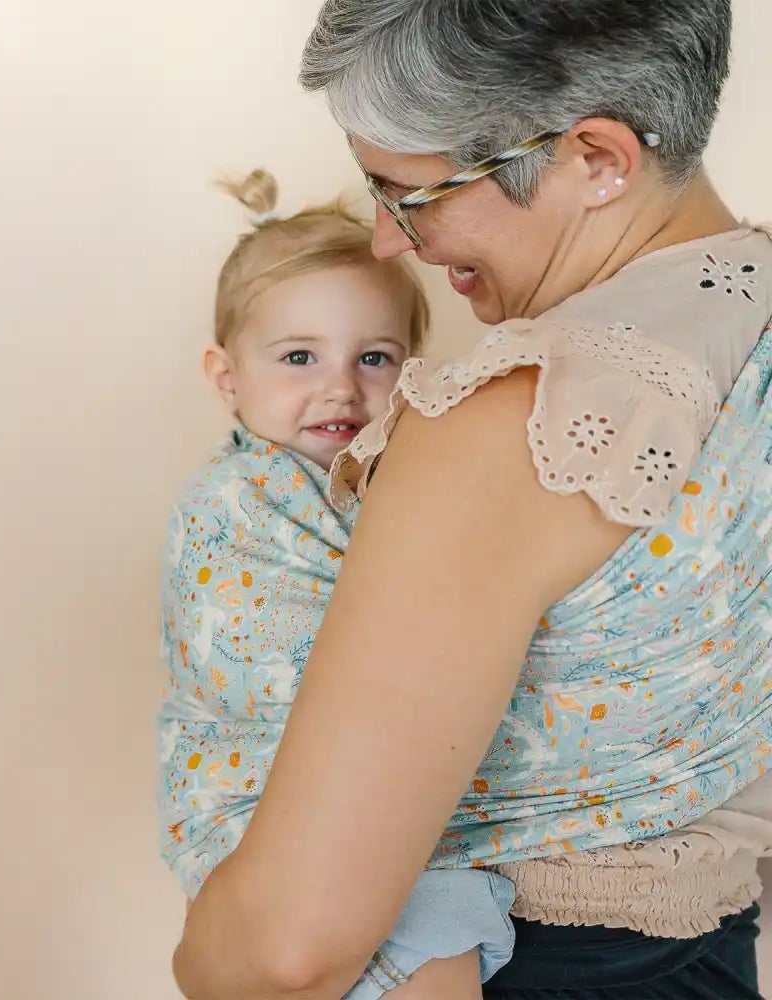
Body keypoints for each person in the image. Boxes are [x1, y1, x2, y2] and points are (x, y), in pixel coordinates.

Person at [173, 3, 772, 998]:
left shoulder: (509, 423)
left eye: (408, 192)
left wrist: (201, 959)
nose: (383, 241)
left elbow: (288, 950)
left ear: (595, 157)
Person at [161, 170, 513, 999]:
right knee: (425, 929)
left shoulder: (403, 482)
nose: (340, 387)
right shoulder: (231, 504)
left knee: (441, 927)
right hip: (265, 809)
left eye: (375, 358)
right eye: (298, 358)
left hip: (384, 806)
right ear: (226, 379)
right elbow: (268, 665)